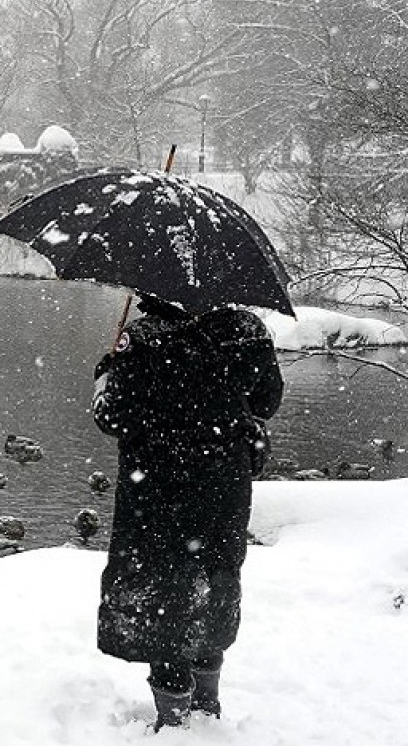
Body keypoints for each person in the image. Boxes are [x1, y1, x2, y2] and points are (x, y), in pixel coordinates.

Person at [90, 293, 283, 730]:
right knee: (211, 582)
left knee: (163, 593)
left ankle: (175, 720)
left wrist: (105, 375)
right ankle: (206, 708)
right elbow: (267, 402)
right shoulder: (247, 330)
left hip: (157, 489)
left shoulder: (143, 338)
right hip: (223, 487)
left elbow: (113, 418)